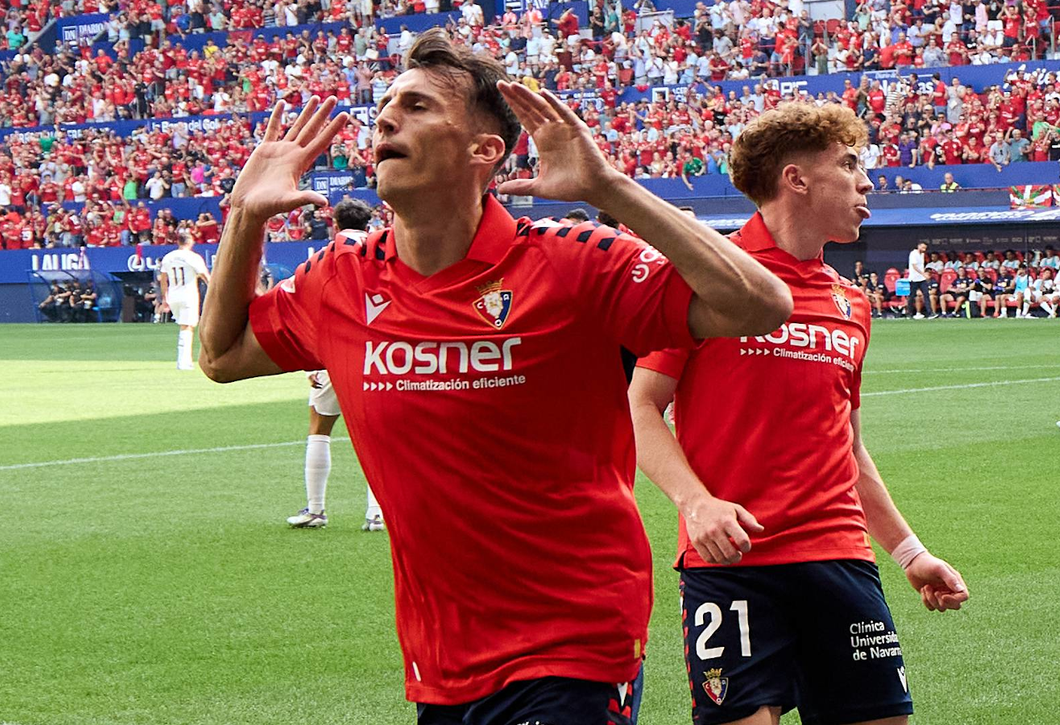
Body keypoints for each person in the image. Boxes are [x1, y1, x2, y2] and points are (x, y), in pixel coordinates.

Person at [198, 29, 791, 725]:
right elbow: (221, 355)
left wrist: (610, 187)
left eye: (417, 106)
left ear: (484, 151)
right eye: (387, 105)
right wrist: (245, 215)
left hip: (573, 642)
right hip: (440, 660)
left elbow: (761, 305)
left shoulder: (573, 260)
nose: (385, 119)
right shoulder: (341, 278)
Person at [628, 103, 969, 725]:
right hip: (732, 563)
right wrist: (695, 503)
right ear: (797, 179)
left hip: (840, 557)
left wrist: (910, 553)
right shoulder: (707, 278)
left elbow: (849, 448)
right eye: (850, 164)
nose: (867, 182)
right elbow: (641, 406)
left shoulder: (851, 301)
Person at [286, 198, 385, 532]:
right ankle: (376, 513)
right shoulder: (387, 251)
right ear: (369, 225)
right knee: (377, 434)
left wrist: (311, 359)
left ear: (335, 225)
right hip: (378, 353)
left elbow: (307, 307)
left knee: (319, 428)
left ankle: (316, 510)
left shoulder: (323, 258)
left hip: (335, 350)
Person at [159, 233, 211, 369]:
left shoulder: (168, 257)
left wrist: (165, 298)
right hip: (188, 294)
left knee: (184, 325)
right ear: (191, 242)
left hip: (173, 296)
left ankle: (185, 360)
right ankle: (183, 362)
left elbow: (163, 279)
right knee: (187, 327)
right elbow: (205, 276)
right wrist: (214, 290)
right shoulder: (193, 257)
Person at [906, 241, 931, 319]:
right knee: (912, 296)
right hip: (914, 279)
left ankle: (930, 313)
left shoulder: (922, 254)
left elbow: (921, 266)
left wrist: (924, 275)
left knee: (926, 294)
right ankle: (909, 313)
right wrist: (923, 274)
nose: (924, 249)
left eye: (925, 248)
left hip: (921, 279)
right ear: (918, 246)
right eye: (923, 247)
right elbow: (914, 266)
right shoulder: (913, 254)